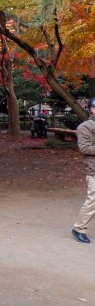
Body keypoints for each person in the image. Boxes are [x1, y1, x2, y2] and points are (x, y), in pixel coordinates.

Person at [72, 98, 95, 243]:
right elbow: (84, 148)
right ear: (92, 109)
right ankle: (79, 228)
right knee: (93, 201)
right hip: (94, 170)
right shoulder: (85, 127)